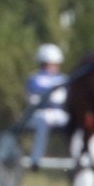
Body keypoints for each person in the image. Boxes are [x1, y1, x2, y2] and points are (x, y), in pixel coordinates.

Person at [18, 43, 69, 171]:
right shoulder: (35, 78)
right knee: (43, 122)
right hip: (39, 114)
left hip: (59, 114)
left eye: (55, 63)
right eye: (51, 63)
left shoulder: (64, 79)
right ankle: (35, 159)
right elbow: (34, 96)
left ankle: (80, 160)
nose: (54, 66)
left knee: (76, 122)